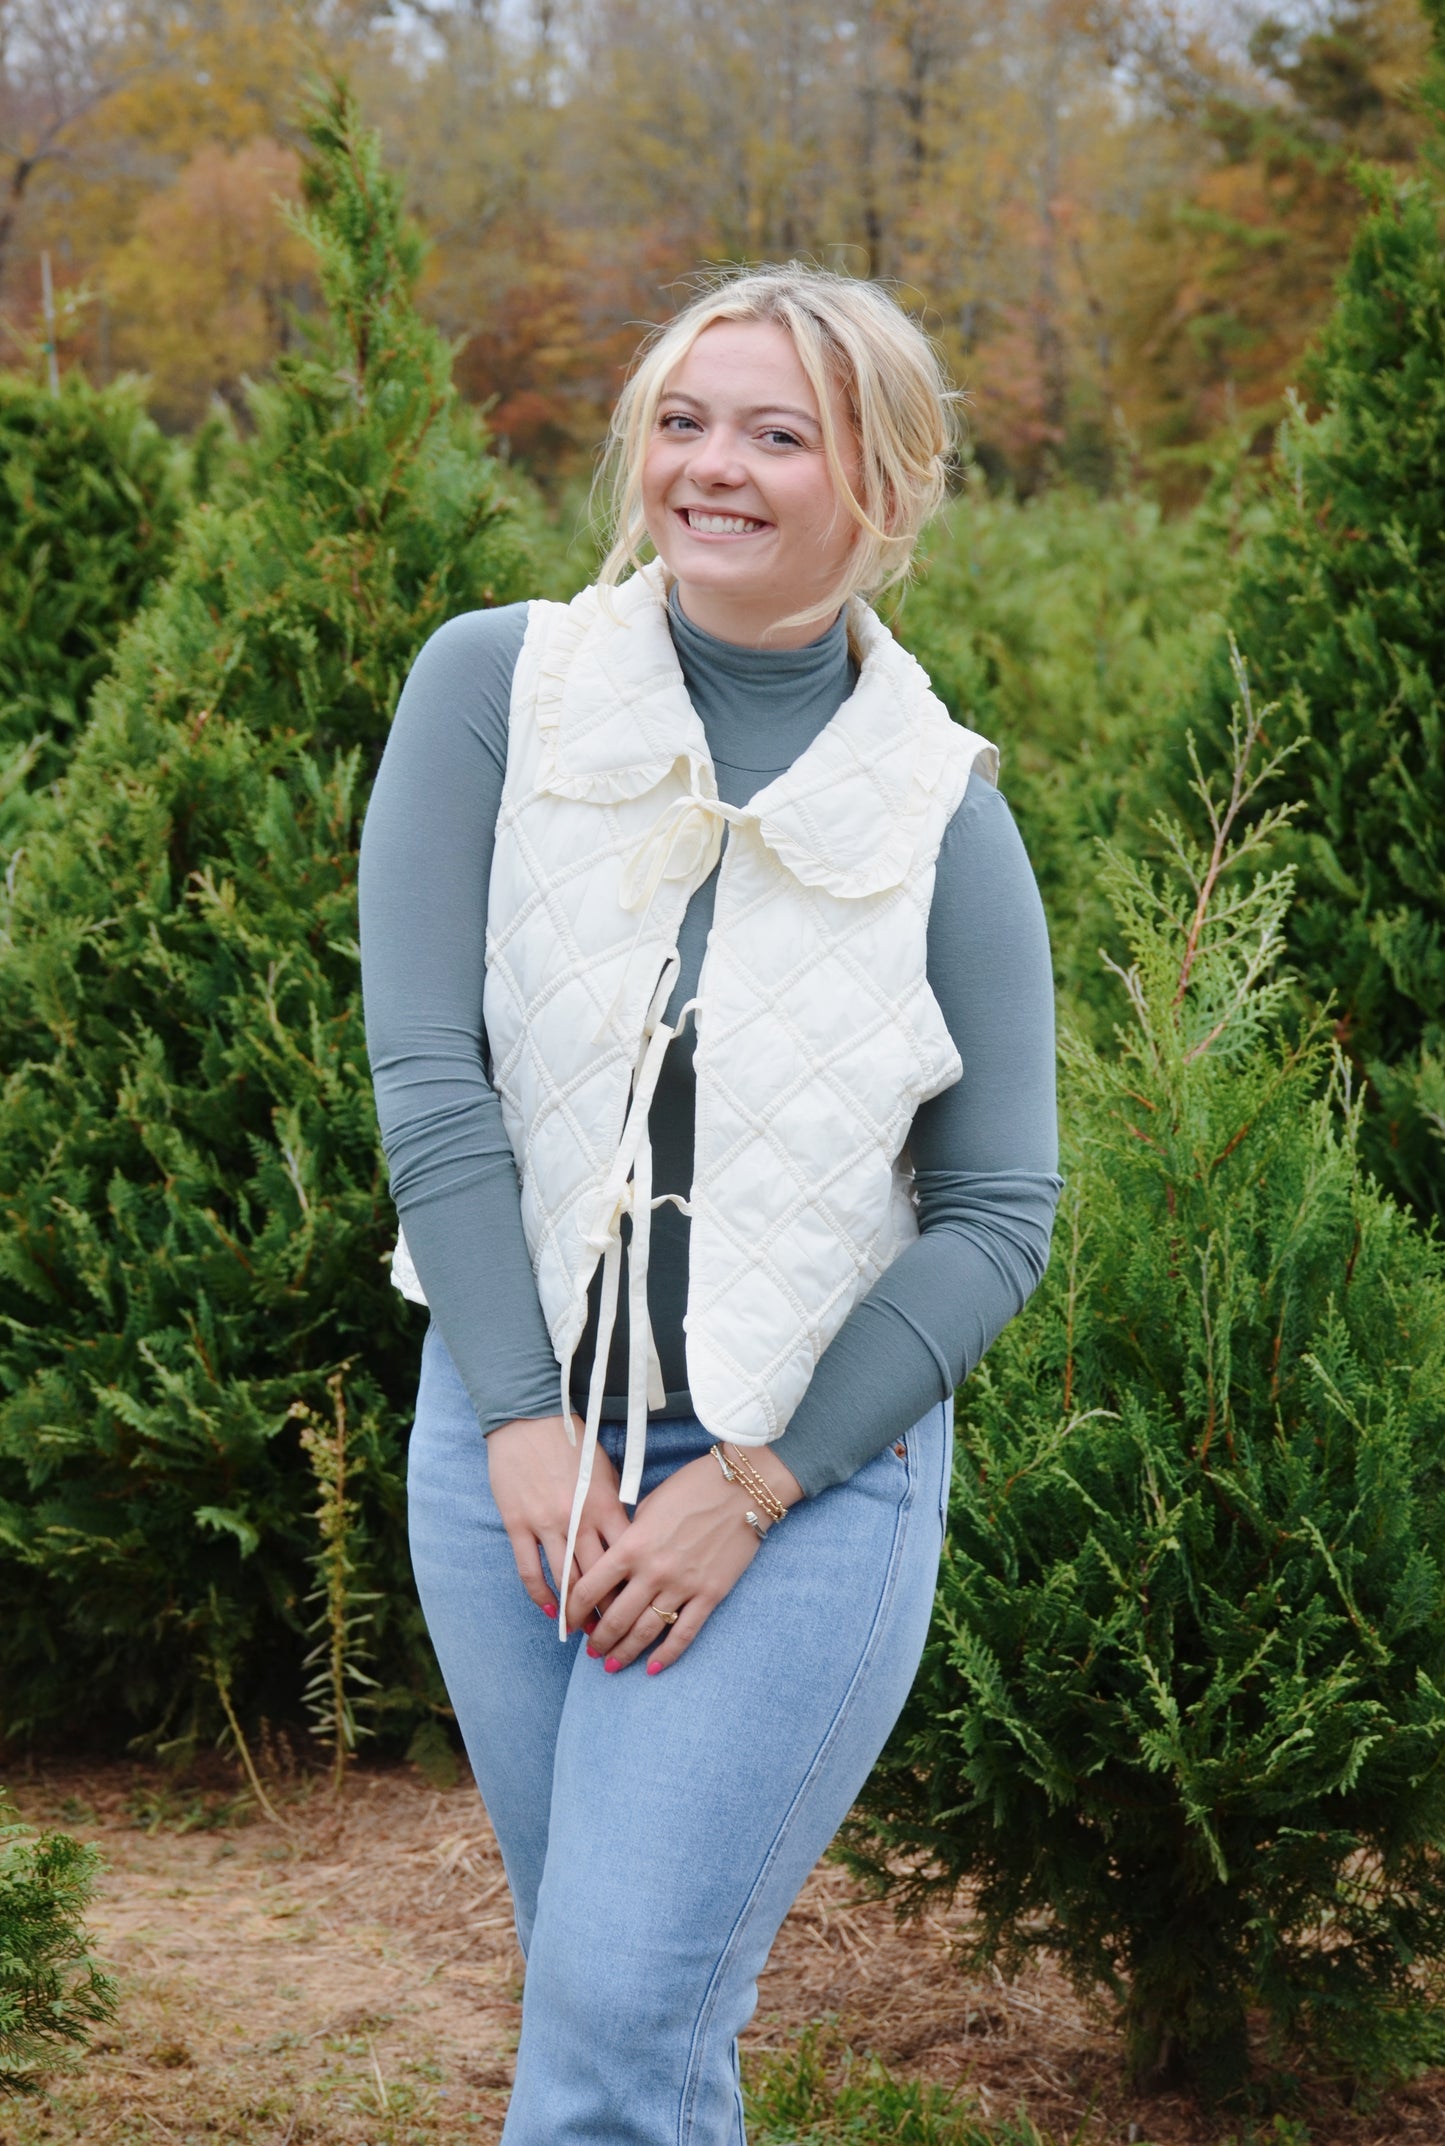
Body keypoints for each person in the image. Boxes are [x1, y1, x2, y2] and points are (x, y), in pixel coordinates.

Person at [358, 263, 1060, 2146]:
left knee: (615, 2019)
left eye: (777, 433)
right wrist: (514, 1416)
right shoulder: (492, 687)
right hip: (505, 1449)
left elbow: (996, 1211)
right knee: (621, 2000)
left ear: (883, 487)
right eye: (683, 421)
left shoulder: (940, 813)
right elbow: (435, 1080)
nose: (712, 468)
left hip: (798, 1489)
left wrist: (752, 1485)